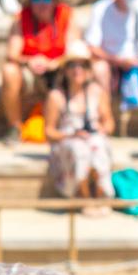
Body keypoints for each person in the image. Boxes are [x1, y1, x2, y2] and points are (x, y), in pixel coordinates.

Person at [0, 0, 71, 139]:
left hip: (60, 70)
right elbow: (12, 54)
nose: (41, 4)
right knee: (9, 71)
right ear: (29, 0)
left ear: (54, 0)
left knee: (82, 69)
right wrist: (30, 61)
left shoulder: (66, 16)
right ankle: (14, 127)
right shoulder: (20, 19)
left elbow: (75, 50)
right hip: (30, 71)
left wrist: (55, 62)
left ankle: (72, 125)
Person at [44, 40, 113, 208]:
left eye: (82, 65)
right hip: (67, 142)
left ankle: (100, 194)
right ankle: (83, 196)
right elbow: (49, 132)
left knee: (97, 145)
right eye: (72, 65)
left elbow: (109, 123)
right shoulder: (56, 96)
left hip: (92, 138)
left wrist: (100, 130)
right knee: (79, 149)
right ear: (65, 69)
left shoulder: (97, 91)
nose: (77, 70)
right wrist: (71, 135)